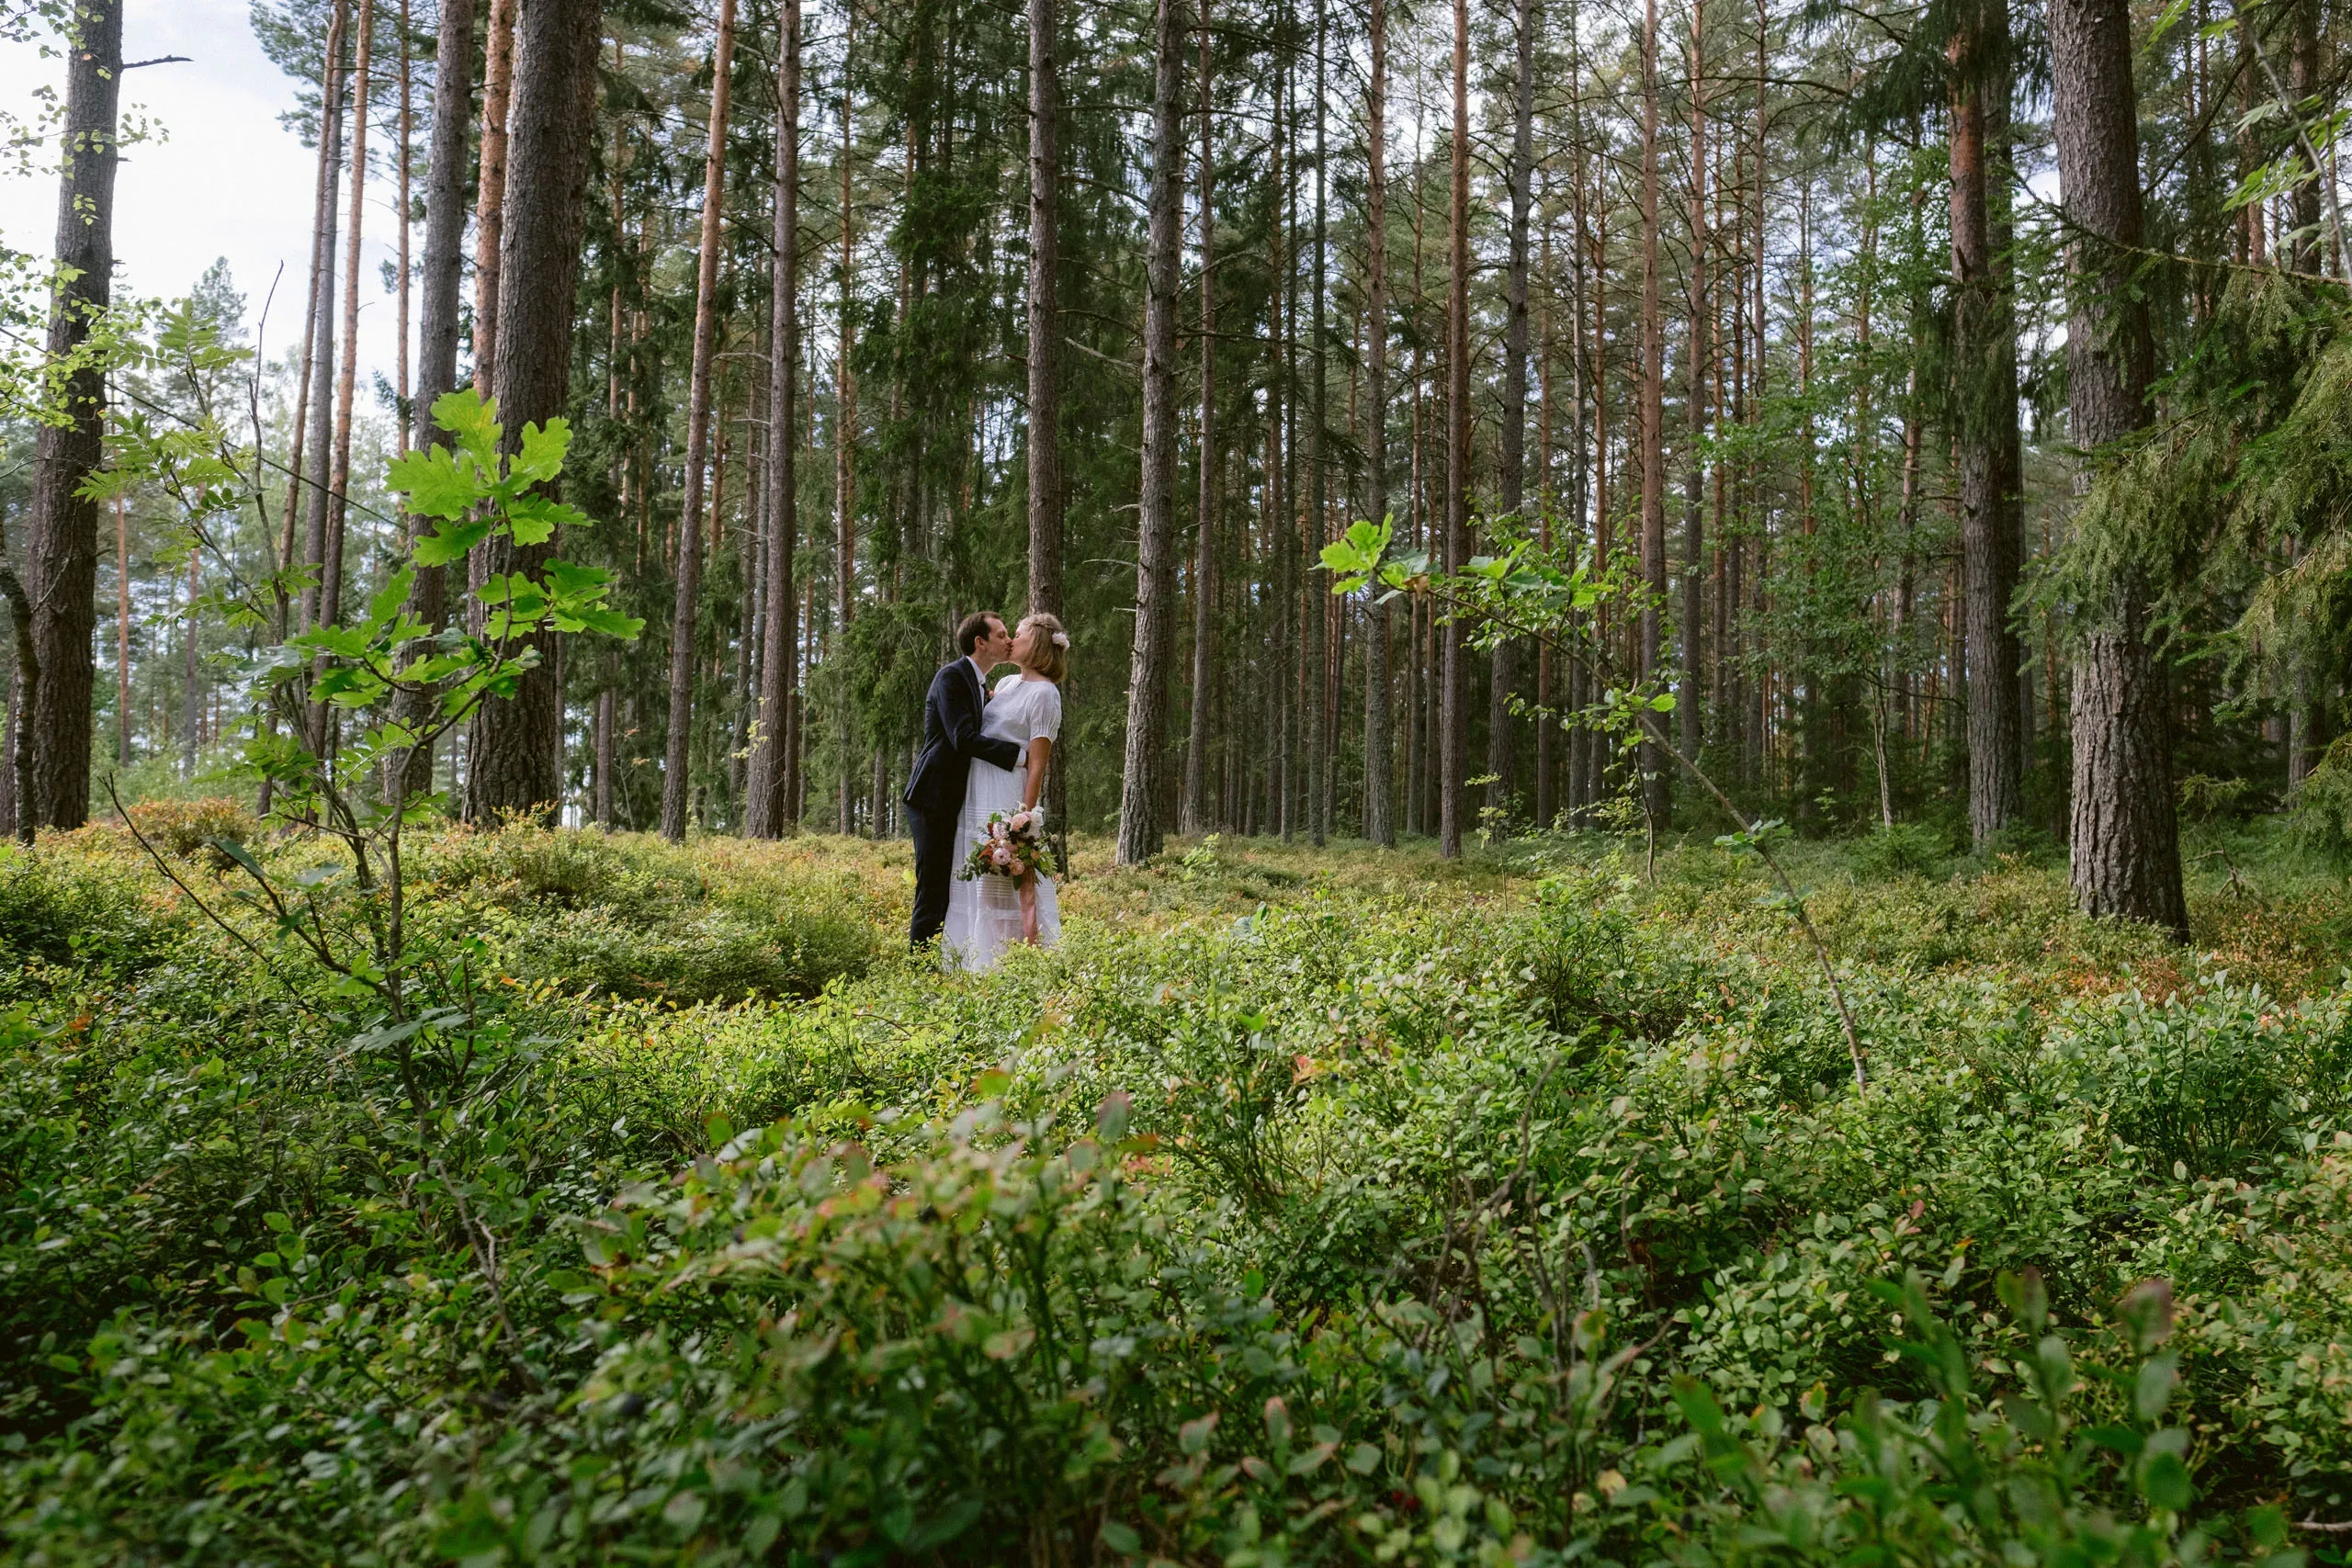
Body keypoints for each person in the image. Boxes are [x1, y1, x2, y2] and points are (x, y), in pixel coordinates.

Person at [942, 612, 1069, 972]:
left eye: (1019, 634)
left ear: (1038, 644)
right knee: (978, 878)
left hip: (1006, 794)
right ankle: (975, 962)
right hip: (979, 788)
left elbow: (1038, 763)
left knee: (1006, 884)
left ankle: (1017, 966)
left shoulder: (1045, 695)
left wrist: (1023, 819)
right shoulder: (1010, 683)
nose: (1011, 639)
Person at [903, 611, 1023, 951]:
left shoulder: (978, 684)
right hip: (931, 797)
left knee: (945, 886)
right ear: (980, 642)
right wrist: (1019, 756)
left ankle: (936, 963)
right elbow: (963, 738)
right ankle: (917, 971)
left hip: (952, 798)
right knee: (933, 887)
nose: (1009, 640)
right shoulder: (951, 677)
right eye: (1001, 635)